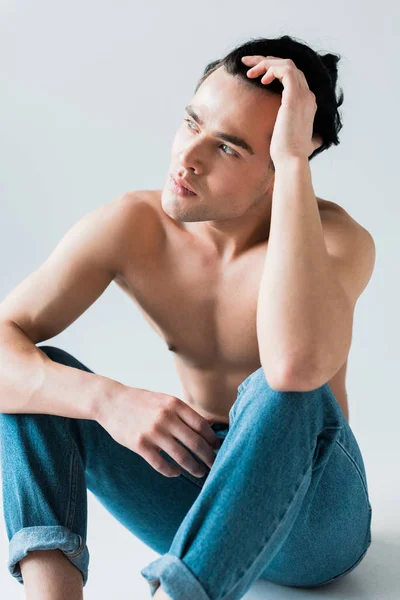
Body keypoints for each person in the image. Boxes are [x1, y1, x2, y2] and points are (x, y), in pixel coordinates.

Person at [0, 35, 375, 600]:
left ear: (278, 166)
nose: (188, 157)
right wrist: (108, 399)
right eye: (192, 122)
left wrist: (295, 158)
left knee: (283, 388)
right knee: (40, 379)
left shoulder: (339, 242)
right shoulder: (135, 225)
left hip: (314, 518)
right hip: (195, 487)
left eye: (228, 148)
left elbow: (295, 368)